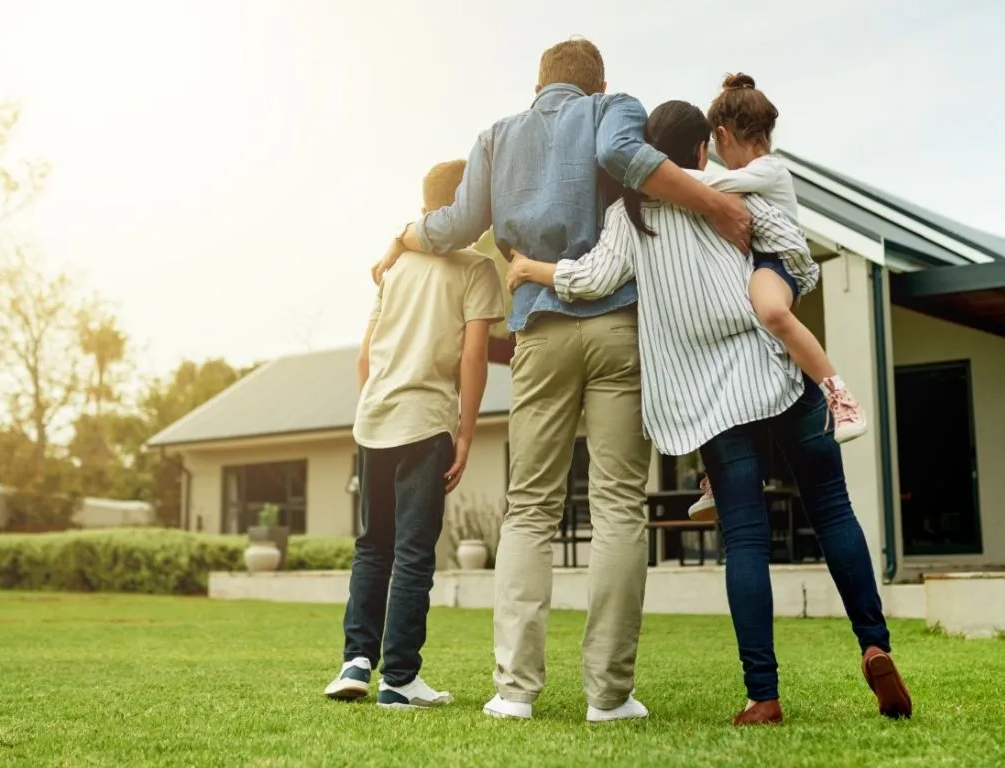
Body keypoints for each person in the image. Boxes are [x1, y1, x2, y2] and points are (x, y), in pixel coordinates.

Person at [373, 37, 753, 723]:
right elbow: (621, 158)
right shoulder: (614, 107)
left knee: (530, 509)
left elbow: (458, 224)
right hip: (615, 331)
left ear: (540, 84)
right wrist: (714, 203)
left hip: (540, 331)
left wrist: (407, 232)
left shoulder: (497, 135)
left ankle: (513, 691)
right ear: (596, 82)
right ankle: (608, 696)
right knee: (615, 507)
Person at [507, 100, 912, 726]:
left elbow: (590, 279)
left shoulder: (629, 215)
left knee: (746, 538)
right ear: (703, 150)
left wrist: (530, 268)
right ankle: (874, 643)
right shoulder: (726, 194)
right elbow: (793, 254)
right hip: (775, 371)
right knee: (832, 509)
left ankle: (763, 695)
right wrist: (777, 282)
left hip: (712, 404)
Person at [324, 158, 504, 710]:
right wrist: (466, 433)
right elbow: (474, 355)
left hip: (374, 419)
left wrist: (374, 405)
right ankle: (398, 678)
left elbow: (364, 356)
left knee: (372, 546)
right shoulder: (476, 269)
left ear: (424, 208)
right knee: (413, 552)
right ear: (467, 208)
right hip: (425, 423)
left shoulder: (394, 267)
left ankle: (356, 662)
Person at [685, 73, 867, 522]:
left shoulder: (767, 170)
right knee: (737, 368)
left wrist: (655, 173)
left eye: (716, 144)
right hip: (756, 269)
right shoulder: (753, 172)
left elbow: (707, 188)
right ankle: (715, 473)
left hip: (776, 266)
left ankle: (839, 395)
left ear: (723, 136)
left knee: (769, 311)